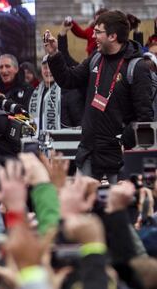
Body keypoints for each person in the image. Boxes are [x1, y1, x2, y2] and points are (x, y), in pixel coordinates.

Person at [44, 10, 154, 181]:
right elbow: (68, 80)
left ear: (112, 36)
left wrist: (123, 141)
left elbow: (145, 118)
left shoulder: (137, 67)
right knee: (84, 206)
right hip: (88, 152)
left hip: (119, 160)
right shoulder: (96, 58)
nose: (93, 36)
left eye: (98, 32)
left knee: (115, 206)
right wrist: (54, 55)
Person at [28, 56, 61, 134]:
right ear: (41, 70)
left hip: (61, 144)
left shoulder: (68, 91)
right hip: (37, 142)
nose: (49, 71)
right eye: (45, 68)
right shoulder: (33, 92)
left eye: (52, 67)